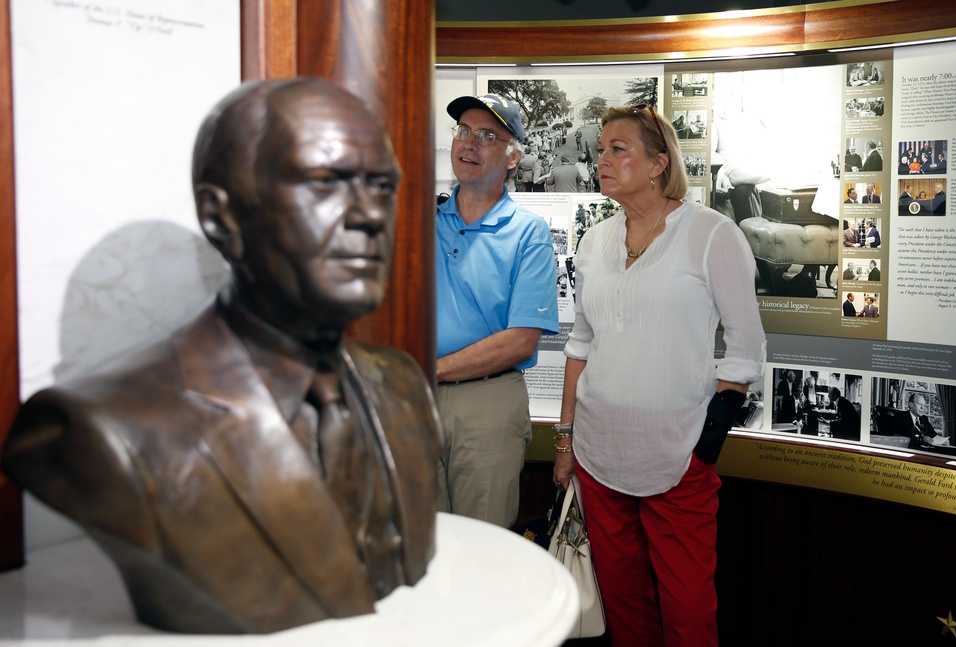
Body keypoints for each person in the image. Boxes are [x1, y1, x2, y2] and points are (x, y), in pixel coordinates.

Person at [1, 78, 442, 634]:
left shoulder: (402, 386)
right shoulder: (102, 430)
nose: (369, 215)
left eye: (382, 185)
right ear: (220, 217)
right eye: (324, 182)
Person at [553, 104, 766, 646]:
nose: (600, 158)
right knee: (624, 606)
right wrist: (565, 440)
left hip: (678, 459)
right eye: (600, 149)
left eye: (617, 149)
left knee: (689, 612)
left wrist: (705, 446)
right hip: (599, 455)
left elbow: (745, 348)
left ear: (657, 163)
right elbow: (581, 344)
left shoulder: (712, 235)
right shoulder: (593, 241)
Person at [436, 94, 559, 528]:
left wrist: (431, 369)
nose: (469, 144)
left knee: (479, 553)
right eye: (463, 131)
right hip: (412, 399)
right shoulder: (416, 220)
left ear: (513, 157)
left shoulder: (528, 234)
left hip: (487, 403)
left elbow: (521, 339)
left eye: (487, 135)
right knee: (414, 553)